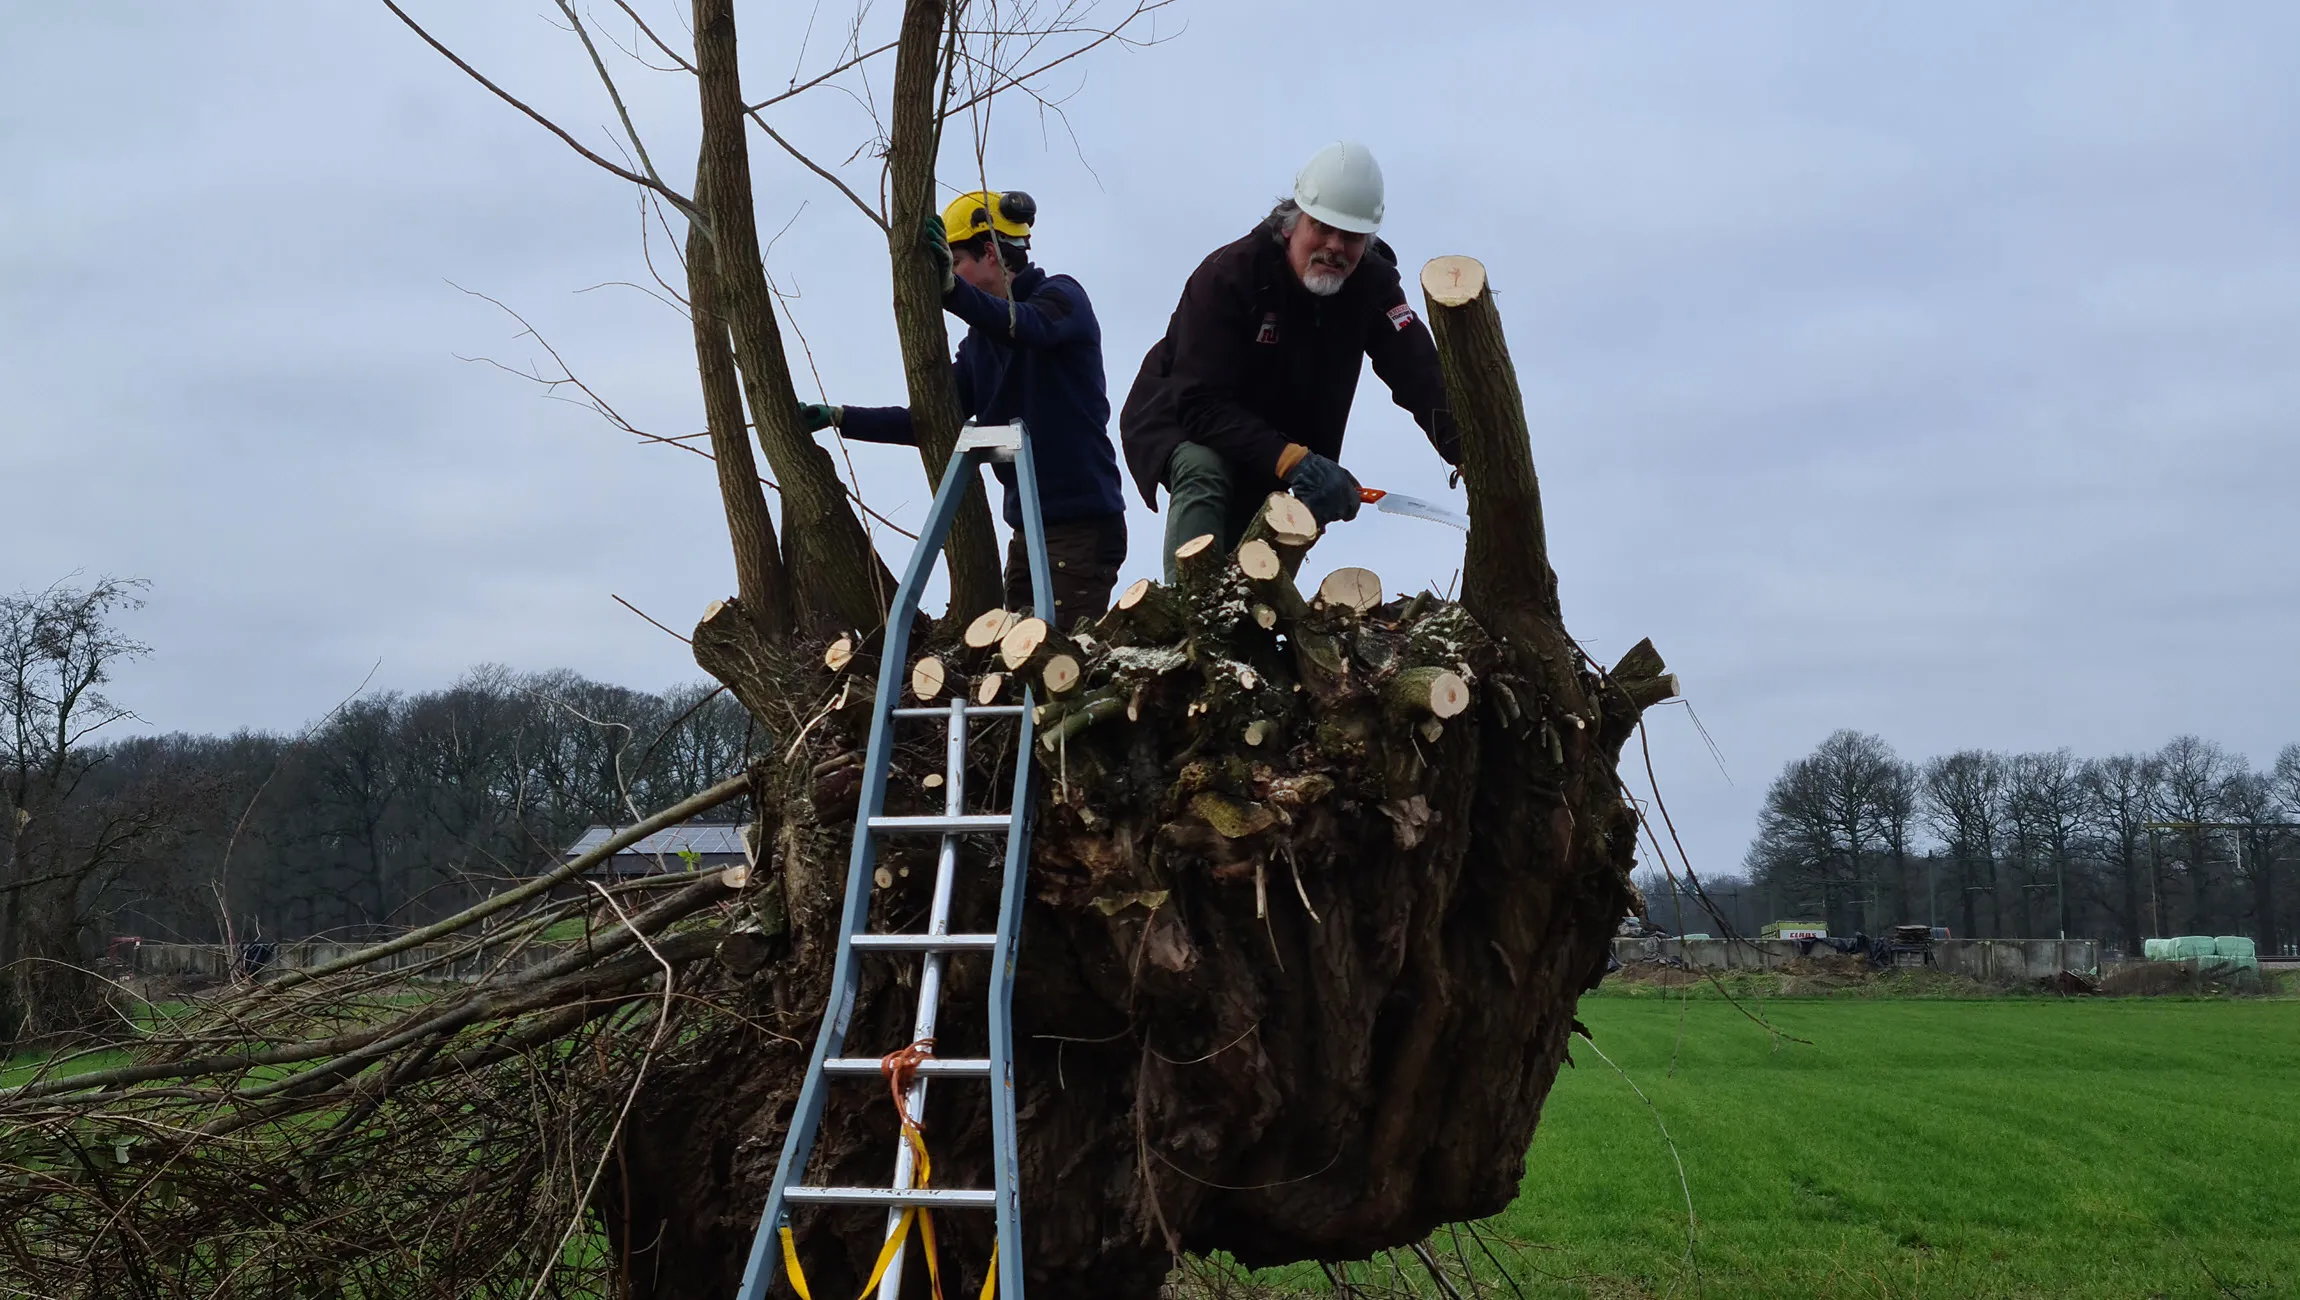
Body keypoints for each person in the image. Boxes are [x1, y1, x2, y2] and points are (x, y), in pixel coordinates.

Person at [1119, 142, 1458, 578]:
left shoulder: (1372, 286)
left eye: (1351, 237)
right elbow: (1200, 403)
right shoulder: (1230, 274)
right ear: (1291, 225)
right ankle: (1190, 620)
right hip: (1185, 421)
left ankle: (1254, 627)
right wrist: (1295, 461)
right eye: (1322, 228)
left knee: (1277, 536)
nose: (1335, 247)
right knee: (1206, 470)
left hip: (1282, 438)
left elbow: (1419, 372)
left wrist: (1465, 451)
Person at [802, 190, 1128, 622]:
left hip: (1081, 528)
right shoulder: (979, 345)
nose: (949, 274)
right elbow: (932, 422)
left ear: (990, 252)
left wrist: (954, 293)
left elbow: (1022, 325)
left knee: (1055, 666)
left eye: (956, 263)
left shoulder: (1061, 299)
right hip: (1027, 531)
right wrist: (843, 418)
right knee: (1019, 665)